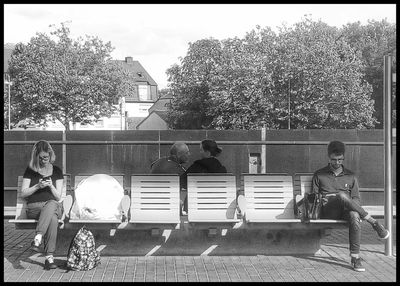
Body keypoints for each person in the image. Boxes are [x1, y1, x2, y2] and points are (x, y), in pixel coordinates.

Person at [311, 140, 390, 272]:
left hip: (345, 210)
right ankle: (373, 222)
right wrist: (328, 198)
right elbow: (314, 197)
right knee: (342, 195)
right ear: (328, 158)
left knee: (354, 215)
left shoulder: (351, 176)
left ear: (343, 158)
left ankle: (355, 257)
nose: (337, 162)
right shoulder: (319, 174)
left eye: (340, 160)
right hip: (328, 210)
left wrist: (350, 205)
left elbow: (356, 198)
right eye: (334, 160)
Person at [21, 140, 64, 270]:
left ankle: (38, 236)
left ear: (50, 155)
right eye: (41, 158)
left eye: (46, 157)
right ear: (36, 156)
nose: (44, 160)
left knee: (52, 204)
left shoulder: (56, 171)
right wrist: (37, 186)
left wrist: (51, 186)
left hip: (53, 206)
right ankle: (49, 258)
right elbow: (23, 193)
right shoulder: (30, 170)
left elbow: (58, 197)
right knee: (52, 218)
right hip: (34, 208)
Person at [150, 142, 191, 214]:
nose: (189, 155)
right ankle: (187, 212)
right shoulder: (179, 170)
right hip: (170, 208)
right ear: (178, 154)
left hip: (152, 203)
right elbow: (188, 186)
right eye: (187, 153)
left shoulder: (157, 162)